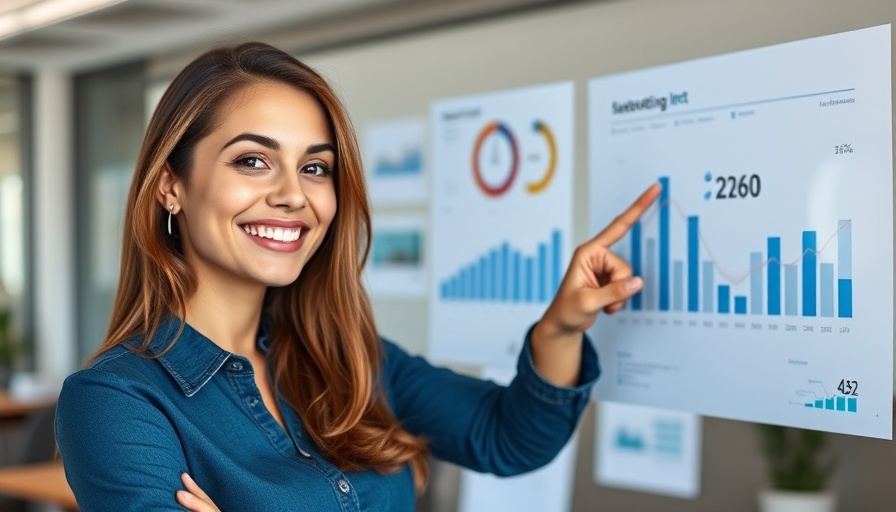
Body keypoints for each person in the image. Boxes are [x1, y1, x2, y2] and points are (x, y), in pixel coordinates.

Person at [54, 41, 659, 511]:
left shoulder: (350, 358)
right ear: (171, 185)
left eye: (315, 167)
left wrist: (560, 328)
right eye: (253, 161)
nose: (294, 194)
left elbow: (507, 437)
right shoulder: (115, 402)